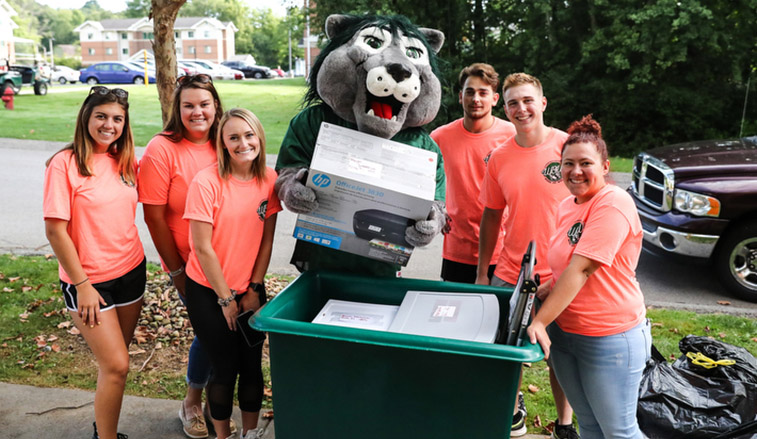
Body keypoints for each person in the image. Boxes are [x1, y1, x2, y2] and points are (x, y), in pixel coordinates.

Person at [527, 115, 651, 439]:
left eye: (586, 163)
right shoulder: (567, 205)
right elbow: (565, 266)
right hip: (567, 333)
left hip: (610, 338)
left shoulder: (614, 203)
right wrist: (548, 287)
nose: (576, 171)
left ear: (606, 166)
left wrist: (539, 322)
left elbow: (582, 269)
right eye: (568, 164)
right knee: (589, 425)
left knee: (619, 431)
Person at [477, 72, 577, 438]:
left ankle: (564, 424)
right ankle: (513, 405)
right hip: (513, 270)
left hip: (562, 272)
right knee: (508, 347)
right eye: (513, 103)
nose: (521, 109)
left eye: (528, 100)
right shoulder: (499, 157)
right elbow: (491, 214)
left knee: (561, 354)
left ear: (543, 103)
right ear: (505, 108)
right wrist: (482, 272)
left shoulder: (567, 149)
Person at [44, 86, 145, 439]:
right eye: (101, 116)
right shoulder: (65, 164)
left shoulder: (126, 160)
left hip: (132, 272)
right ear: (86, 117)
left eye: (117, 118)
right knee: (116, 365)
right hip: (89, 283)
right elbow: (56, 231)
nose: (109, 124)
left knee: (116, 365)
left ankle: (105, 428)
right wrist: (82, 284)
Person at [138, 73, 228, 439]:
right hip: (190, 263)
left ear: (216, 106)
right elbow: (154, 216)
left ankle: (214, 402)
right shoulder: (162, 149)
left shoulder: (224, 141)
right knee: (210, 332)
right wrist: (176, 270)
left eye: (204, 104)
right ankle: (192, 401)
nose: (197, 112)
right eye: (188, 105)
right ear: (177, 109)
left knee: (224, 330)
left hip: (229, 260)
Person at [183, 108, 281, 439]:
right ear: (223, 144)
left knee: (252, 367)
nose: (243, 143)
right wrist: (226, 298)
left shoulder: (270, 179)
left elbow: (266, 239)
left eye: (249, 135)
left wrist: (254, 288)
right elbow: (203, 248)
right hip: (209, 292)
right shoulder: (206, 182)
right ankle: (222, 435)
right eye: (234, 137)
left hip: (249, 288)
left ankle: (250, 434)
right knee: (224, 369)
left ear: (259, 137)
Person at [430, 62, 514, 283]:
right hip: (456, 248)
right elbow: (422, 180)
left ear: (494, 99)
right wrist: (436, 209)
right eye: (470, 92)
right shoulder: (439, 138)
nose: (476, 99)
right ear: (460, 97)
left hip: (502, 250)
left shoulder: (512, 136)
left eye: (483, 93)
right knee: (452, 312)